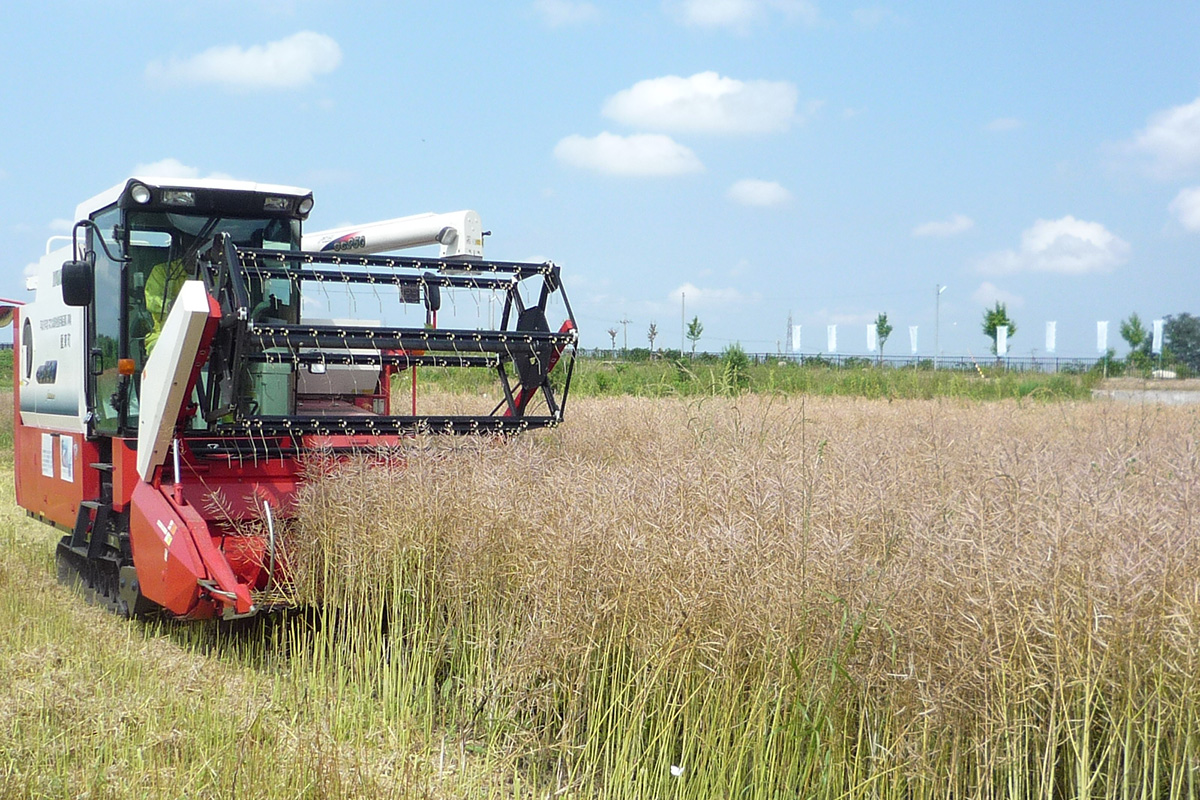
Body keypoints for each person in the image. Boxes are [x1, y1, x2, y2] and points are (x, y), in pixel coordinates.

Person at [143, 256, 190, 354]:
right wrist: (170, 305)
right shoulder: (163, 271)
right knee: (162, 352)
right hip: (163, 335)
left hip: (205, 338)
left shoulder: (214, 274)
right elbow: (152, 299)